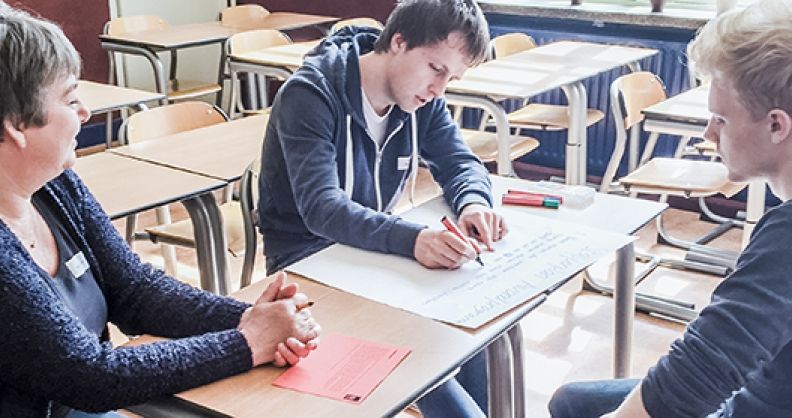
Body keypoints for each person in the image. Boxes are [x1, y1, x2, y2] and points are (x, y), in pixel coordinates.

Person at [0, 6, 320, 417]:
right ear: (14, 126)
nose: (85, 113)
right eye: (71, 97)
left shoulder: (55, 185)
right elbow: (90, 376)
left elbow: (135, 292)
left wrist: (261, 319)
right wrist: (248, 341)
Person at [548, 0, 792, 417]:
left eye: (720, 119)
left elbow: (698, 375)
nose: (707, 133)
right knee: (574, 401)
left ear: (777, 125)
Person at [257, 0, 505, 416]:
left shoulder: (420, 99)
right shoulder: (311, 93)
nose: (439, 89)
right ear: (399, 42)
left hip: (369, 254)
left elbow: (460, 161)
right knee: (438, 376)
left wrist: (474, 201)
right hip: (308, 263)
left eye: (452, 78)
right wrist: (413, 239)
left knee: (474, 331)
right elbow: (322, 208)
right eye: (436, 69)